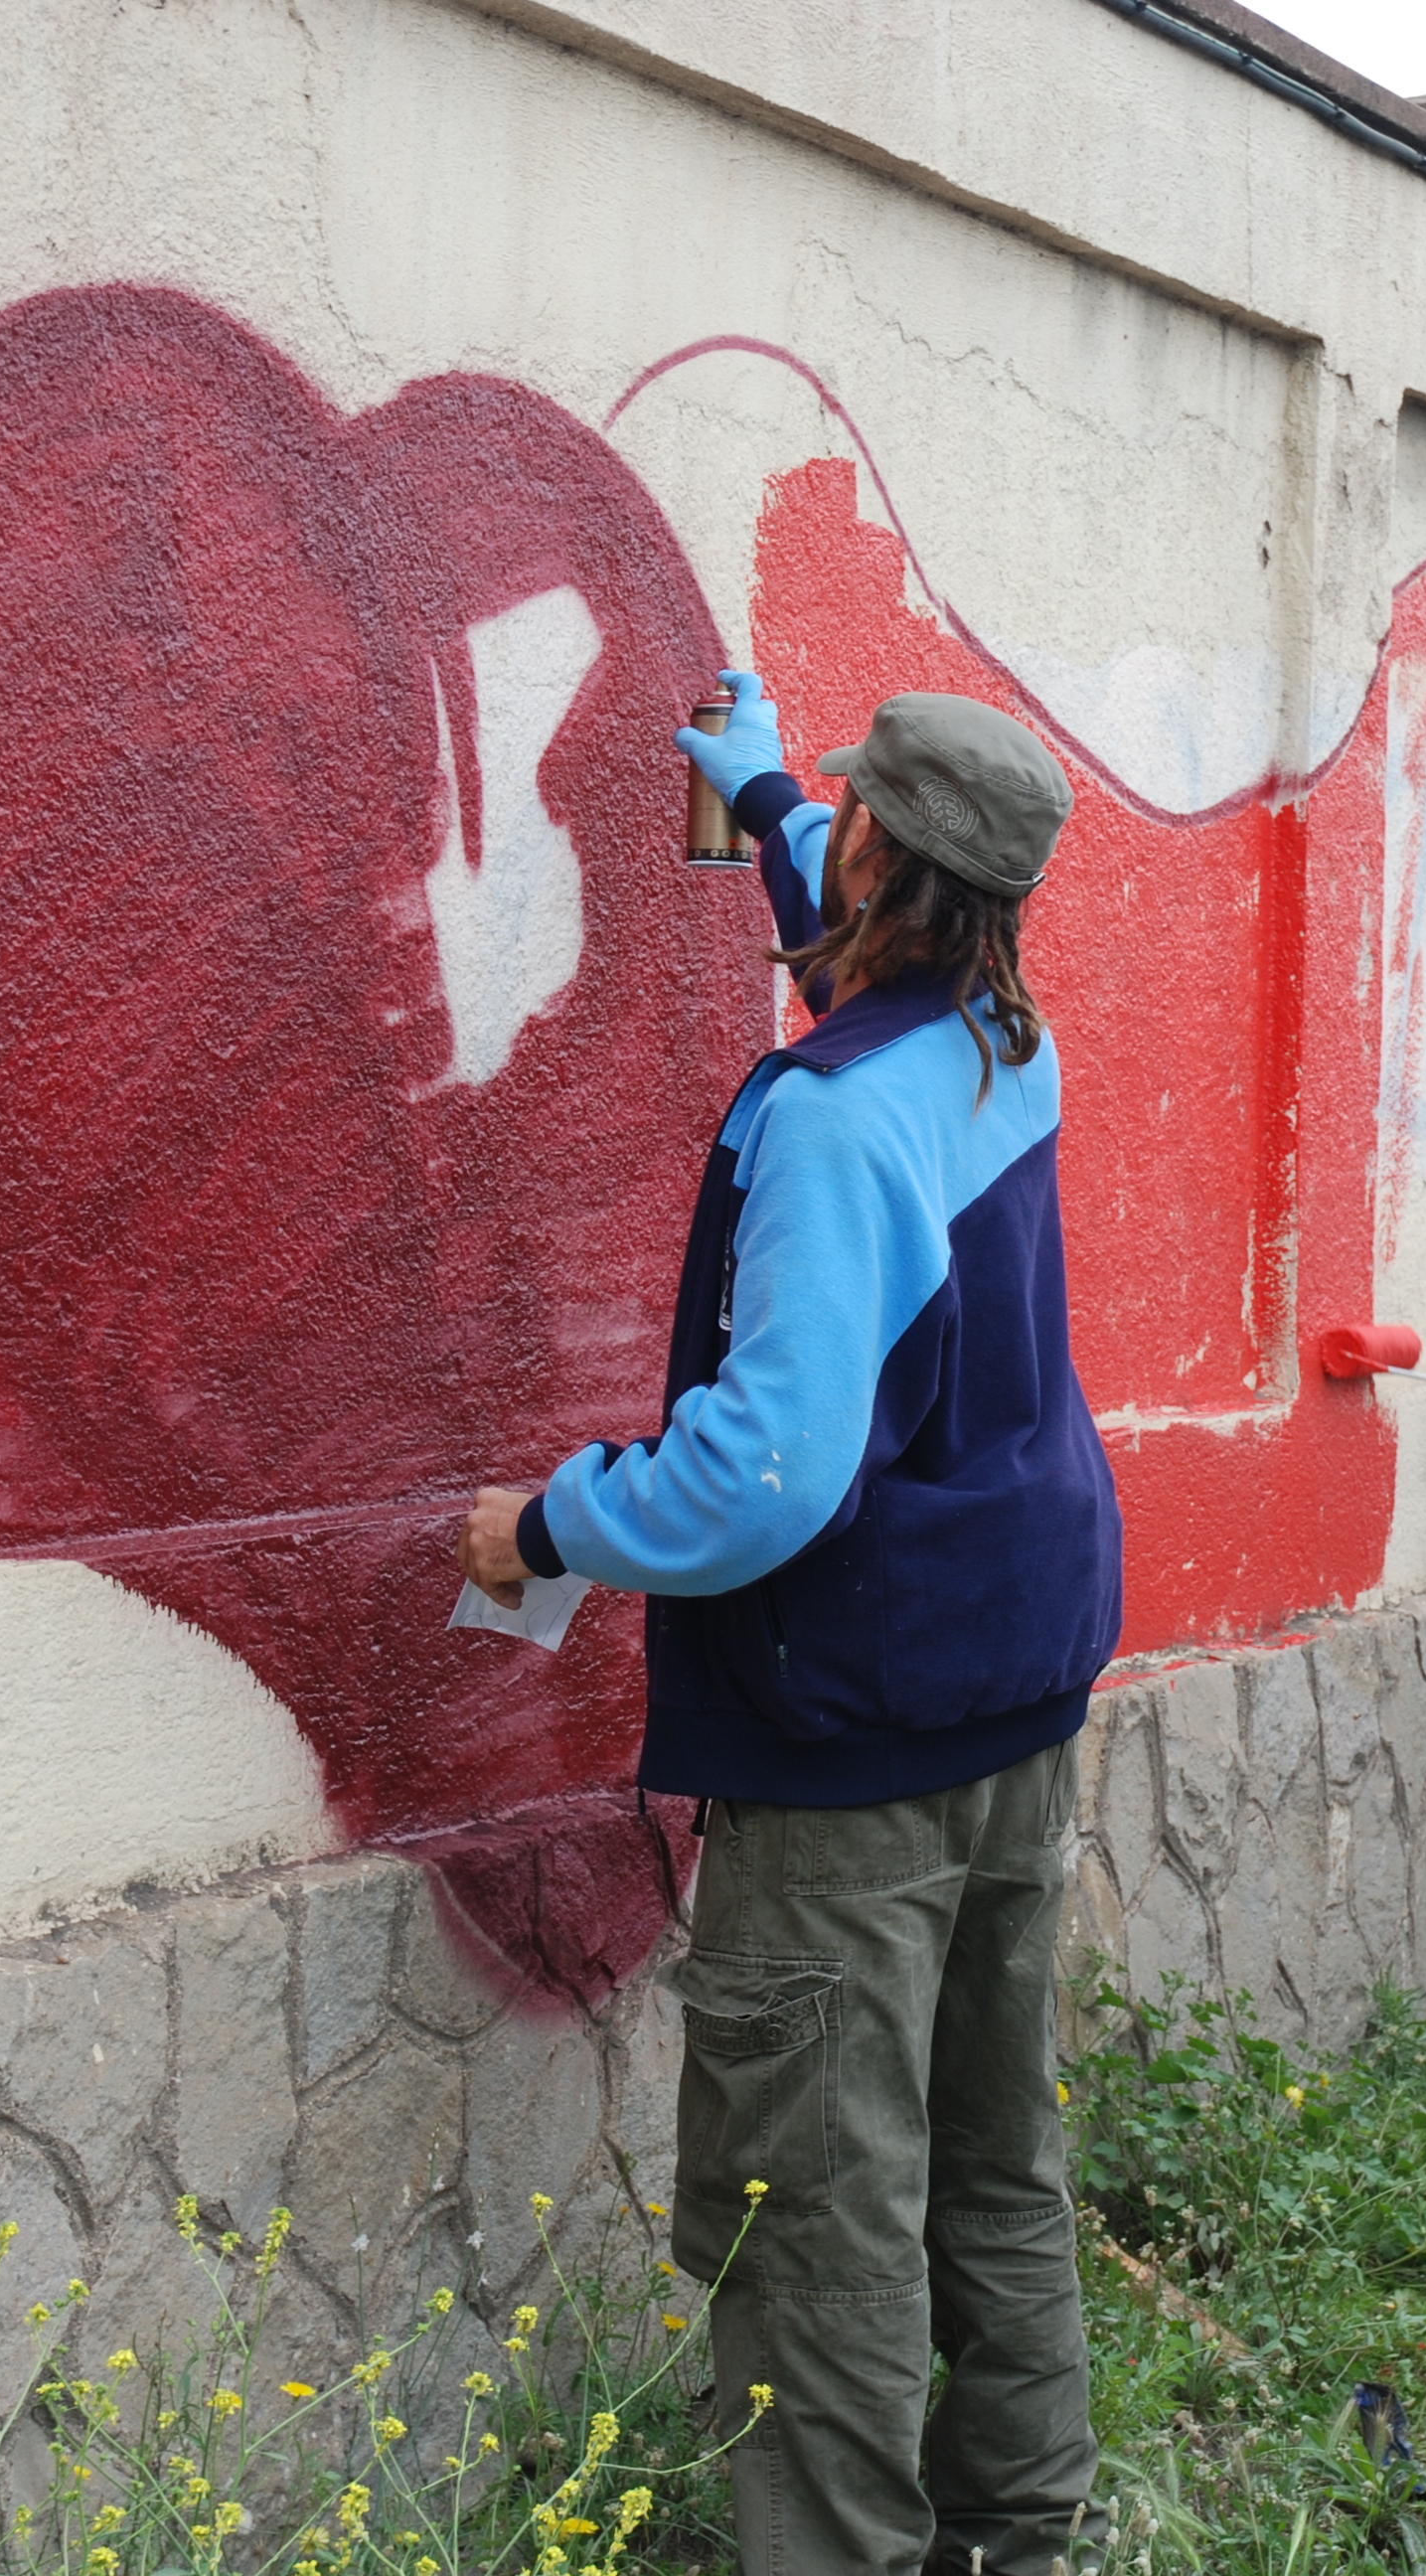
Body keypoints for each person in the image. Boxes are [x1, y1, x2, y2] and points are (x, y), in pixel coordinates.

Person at [459, 678, 1122, 2576]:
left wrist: (548, 1522)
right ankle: (1021, 2535)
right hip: (1014, 1698)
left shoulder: (826, 1118)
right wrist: (758, 790)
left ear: (895, 855)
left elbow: (763, 1477)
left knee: (816, 2213)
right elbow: (856, 961)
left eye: (846, 813)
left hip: (856, 1749)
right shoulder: (1005, 1039)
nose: (827, 832)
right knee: (993, 2155)